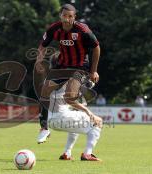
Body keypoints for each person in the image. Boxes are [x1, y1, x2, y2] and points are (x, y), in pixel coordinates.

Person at [35, 4, 100, 143]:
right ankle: (44, 128)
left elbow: (96, 48)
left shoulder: (83, 30)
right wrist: (39, 60)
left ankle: (88, 89)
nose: (67, 19)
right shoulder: (54, 28)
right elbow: (43, 45)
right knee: (44, 91)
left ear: (74, 17)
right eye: (64, 16)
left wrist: (93, 70)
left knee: (69, 97)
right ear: (61, 15)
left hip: (80, 67)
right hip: (62, 65)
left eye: (70, 16)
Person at [48, 71, 103, 161]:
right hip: (61, 117)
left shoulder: (54, 80)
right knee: (98, 122)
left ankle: (67, 153)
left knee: (75, 128)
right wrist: (89, 113)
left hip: (50, 121)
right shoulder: (73, 81)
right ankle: (87, 154)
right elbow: (71, 100)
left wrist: (44, 127)